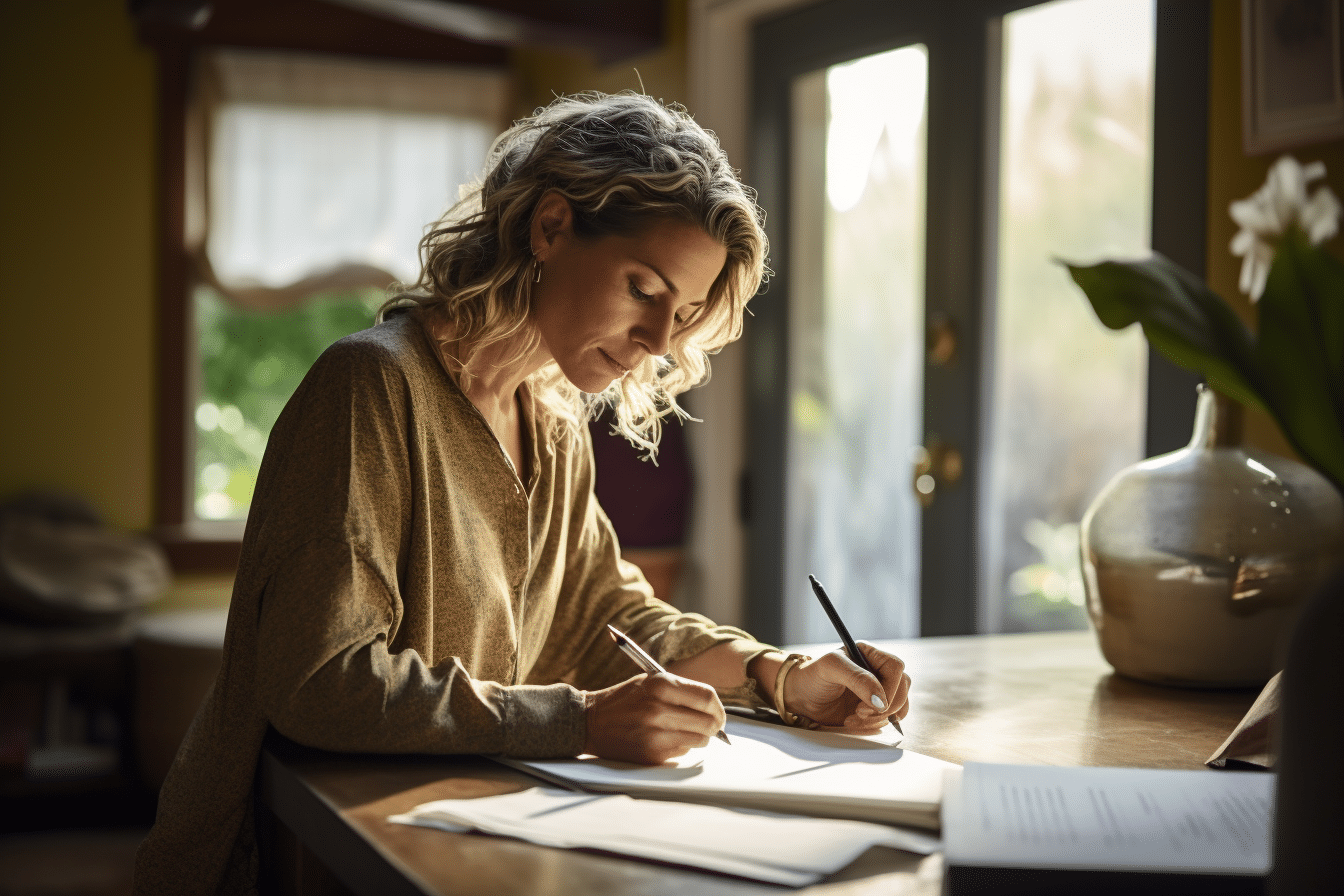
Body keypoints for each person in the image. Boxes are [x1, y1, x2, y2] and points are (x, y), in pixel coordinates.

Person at [132, 92, 912, 895]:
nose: (657, 342)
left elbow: (610, 616)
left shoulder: (553, 420)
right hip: (287, 857)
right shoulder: (370, 386)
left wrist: (778, 676)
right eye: (643, 289)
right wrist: (582, 720)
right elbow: (321, 683)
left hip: (444, 835)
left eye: (680, 313)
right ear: (550, 227)